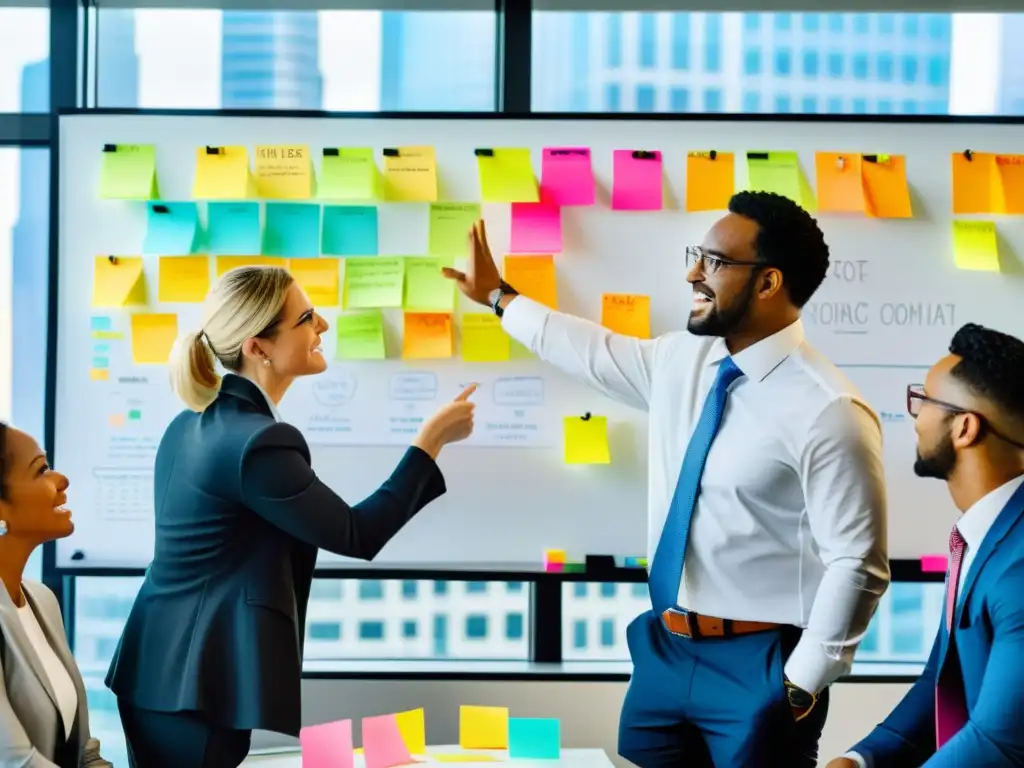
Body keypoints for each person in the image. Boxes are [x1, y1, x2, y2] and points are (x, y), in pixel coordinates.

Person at [443, 192, 890, 767]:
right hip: (666, 650)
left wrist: (801, 683)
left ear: (768, 282)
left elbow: (859, 561)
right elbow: (589, 351)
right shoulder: (686, 361)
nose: (693, 273)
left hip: (760, 663)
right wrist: (500, 298)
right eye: (697, 255)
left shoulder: (829, 409)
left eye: (715, 262)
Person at [105, 266, 476, 768]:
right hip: (197, 691)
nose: (322, 325)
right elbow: (356, 533)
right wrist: (428, 443)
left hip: (156, 672)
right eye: (306, 318)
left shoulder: (190, 423)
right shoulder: (258, 443)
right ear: (259, 347)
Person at [827, 323, 1024, 768]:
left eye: (925, 400)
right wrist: (862, 759)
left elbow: (1002, 743)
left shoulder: (1019, 565)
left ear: (965, 428)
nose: (916, 416)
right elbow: (943, 677)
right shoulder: (981, 536)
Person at [0, 422, 111, 767]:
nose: (61, 479)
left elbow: (84, 750)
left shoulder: (41, 599)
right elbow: (16, 761)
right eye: (41, 470)